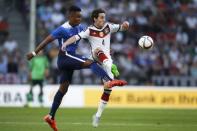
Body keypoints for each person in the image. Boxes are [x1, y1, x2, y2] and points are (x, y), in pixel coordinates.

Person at [26, 6, 127, 131]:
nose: (80, 18)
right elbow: (47, 40)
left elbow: (90, 38)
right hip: (65, 57)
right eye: (77, 16)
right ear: (70, 16)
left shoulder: (80, 27)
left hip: (69, 61)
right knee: (90, 62)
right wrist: (34, 53)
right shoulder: (62, 29)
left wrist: (105, 49)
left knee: (63, 88)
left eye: (80, 16)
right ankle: (108, 80)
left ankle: (50, 116)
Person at [61, 8, 129, 127]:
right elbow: (76, 37)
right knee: (98, 51)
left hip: (106, 59)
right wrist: (66, 43)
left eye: (104, 17)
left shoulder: (109, 27)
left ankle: (97, 116)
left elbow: (122, 27)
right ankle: (112, 68)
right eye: (101, 17)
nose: (104, 19)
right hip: (94, 58)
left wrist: (126, 24)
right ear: (95, 18)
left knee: (108, 89)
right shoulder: (89, 30)